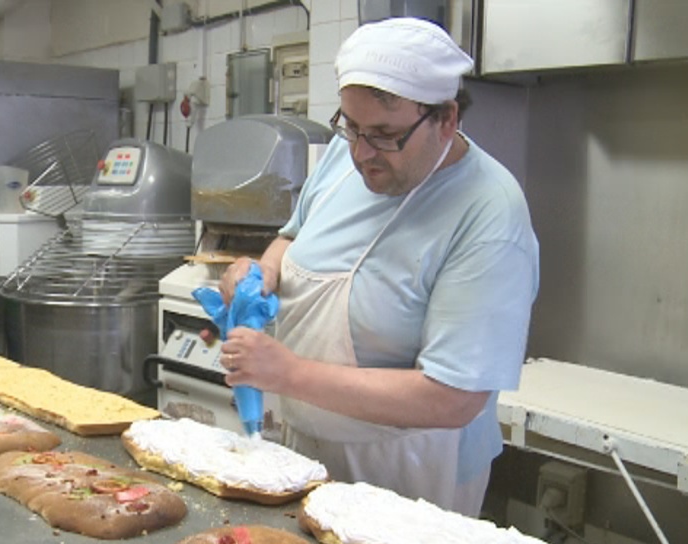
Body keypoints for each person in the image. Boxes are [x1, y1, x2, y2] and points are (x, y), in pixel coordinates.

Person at [217, 18, 539, 517]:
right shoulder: (349, 158)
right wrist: (260, 272)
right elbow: (293, 235)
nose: (362, 153)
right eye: (352, 127)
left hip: (411, 471)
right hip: (308, 445)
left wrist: (290, 372)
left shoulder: (488, 212)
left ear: (446, 119)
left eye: (386, 135)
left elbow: (452, 398)